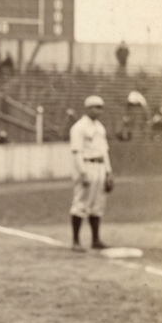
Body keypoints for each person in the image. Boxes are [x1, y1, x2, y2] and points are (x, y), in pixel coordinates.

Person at [69, 95, 113, 251]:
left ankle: (95, 240)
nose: (99, 111)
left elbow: (104, 151)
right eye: (96, 107)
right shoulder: (78, 127)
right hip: (87, 166)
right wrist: (82, 172)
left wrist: (108, 172)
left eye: (101, 107)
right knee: (81, 203)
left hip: (100, 167)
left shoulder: (100, 127)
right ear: (88, 108)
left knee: (97, 205)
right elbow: (76, 152)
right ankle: (76, 241)